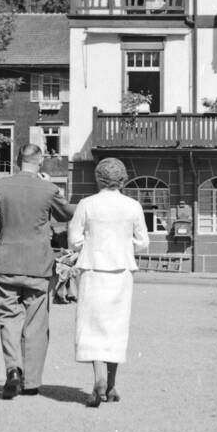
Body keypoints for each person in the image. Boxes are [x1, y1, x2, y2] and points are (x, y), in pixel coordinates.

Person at [0, 143, 76, 398]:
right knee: (36, 323)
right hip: (38, 265)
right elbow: (67, 213)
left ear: (18, 159)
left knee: (9, 319)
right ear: (40, 161)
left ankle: (12, 370)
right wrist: (50, 185)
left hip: (6, 261)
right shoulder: (48, 188)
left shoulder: (1, 186)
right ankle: (31, 382)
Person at [67, 157, 147, 407]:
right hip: (121, 270)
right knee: (116, 325)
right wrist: (124, 244)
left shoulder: (86, 204)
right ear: (122, 180)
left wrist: (92, 242)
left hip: (92, 269)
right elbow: (143, 242)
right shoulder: (133, 206)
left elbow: (74, 241)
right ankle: (111, 385)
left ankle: (99, 377)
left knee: (92, 325)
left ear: (98, 178)